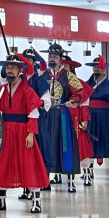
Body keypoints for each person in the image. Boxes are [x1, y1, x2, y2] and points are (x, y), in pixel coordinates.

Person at [0, 53, 49, 214]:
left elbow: (33, 112)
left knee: (29, 165)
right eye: (8, 67)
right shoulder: (1, 91)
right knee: (3, 165)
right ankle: (1, 200)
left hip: (23, 132)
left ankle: (36, 201)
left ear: (20, 70)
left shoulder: (27, 91)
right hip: (5, 132)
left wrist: (30, 133)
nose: (9, 71)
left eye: (13, 67)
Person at [40, 43, 84, 193]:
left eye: (55, 56)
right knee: (46, 146)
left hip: (62, 114)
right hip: (46, 115)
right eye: (50, 56)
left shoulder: (68, 75)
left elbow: (79, 91)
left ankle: (71, 181)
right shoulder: (43, 74)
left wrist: (73, 101)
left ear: (60, 59)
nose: (52, 58)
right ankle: (45, 180)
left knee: (66, 147)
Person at [17, 47, 51, 199]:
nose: (27, 63)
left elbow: (47, 103)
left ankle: (35, 187)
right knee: (22, 158)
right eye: (24, 61)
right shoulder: (18, 80)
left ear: (34, 63)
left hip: (36, 122)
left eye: (29, 60)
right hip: (19, 124)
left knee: (36, 157)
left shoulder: (40, 82)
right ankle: (25, 189)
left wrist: (34, 104)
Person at [62, 55, 94, 189]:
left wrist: (85, 121)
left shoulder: (79, 83)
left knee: (82, 148)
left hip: (76, 119)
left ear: (71, 68)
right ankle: (70, 181)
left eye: (66, 67)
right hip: (63, 117)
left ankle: (87, 175)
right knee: (66, 148)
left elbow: (85, 103)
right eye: (62, 66)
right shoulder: (55, 83)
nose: (64, 69)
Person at [86, 56, 109, 176]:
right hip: (91, 116)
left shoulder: (108, 84)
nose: (96, 69)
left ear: (104, 69)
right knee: (90, 141)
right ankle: (89, 170)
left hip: (105, 117)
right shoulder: (88, 83)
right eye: (94, 67)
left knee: (105, 140)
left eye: (98, 67)